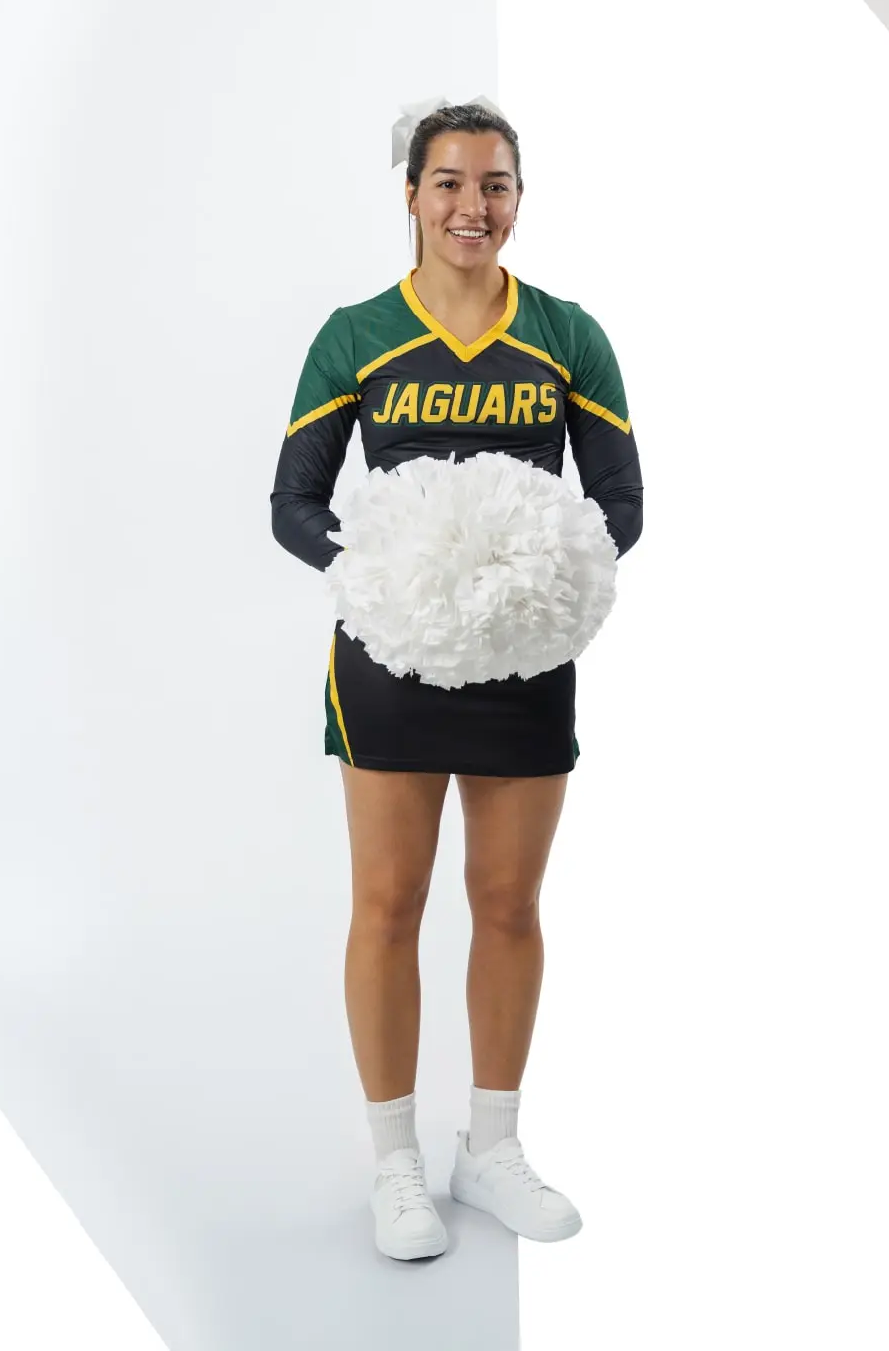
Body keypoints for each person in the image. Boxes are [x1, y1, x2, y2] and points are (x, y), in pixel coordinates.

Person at [270, 103, 644, 1261]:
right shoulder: (358, 334)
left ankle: (490, 1148)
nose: (472, 207)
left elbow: (622, 503)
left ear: (519, 197)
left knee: (507, 903)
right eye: (448, 183)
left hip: (524, 657)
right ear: (411, 195)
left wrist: (541, 583)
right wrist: (387, 576)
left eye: (495, 184)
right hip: (391, 655)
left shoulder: (568, 336)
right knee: (388, 902)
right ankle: (395, 1165)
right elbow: (293, 503)